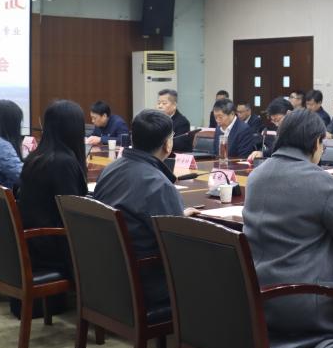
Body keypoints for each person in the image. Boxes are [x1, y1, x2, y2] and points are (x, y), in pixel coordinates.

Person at [244, 109, 333, 348]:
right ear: (316, 143)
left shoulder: (256, 175)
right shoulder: (322, 182)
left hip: (256, 294)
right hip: (302, 302)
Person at [93, 110, 198, 310]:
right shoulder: (159, 184)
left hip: (108, 273)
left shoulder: (110, 169)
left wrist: (178, 214)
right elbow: (177, 245)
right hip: (146, 283)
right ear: (167, 144)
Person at [18, 100, 87, 279]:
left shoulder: (36, 157)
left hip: (32, 242)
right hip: (52, 247)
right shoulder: (63, 162)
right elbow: (72, 214)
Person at [248, 97, 292, 162]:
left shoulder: (300, 129)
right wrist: (262, 154)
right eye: (273, 121)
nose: (276, 125)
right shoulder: (282, 129)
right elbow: (276, 150)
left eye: (278, 120)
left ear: (288, 113)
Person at [157, 88, 192, 152]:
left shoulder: (182, 122)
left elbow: (178, 144)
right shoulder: (155, 120)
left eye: (164, 103)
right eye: (159, 103)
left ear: (174, 105)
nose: (160, 106)